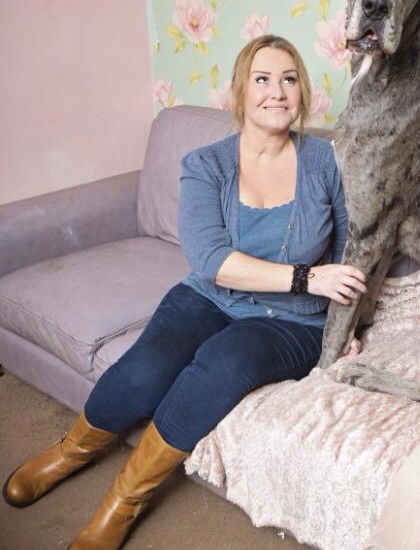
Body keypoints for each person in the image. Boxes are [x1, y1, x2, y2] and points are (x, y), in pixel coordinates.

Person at [2, 35, 366, 550]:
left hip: (292, 321)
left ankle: (124, 500)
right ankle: (71, 452)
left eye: (289, 79)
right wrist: (308, 276)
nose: (277, 91)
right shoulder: (207, 164)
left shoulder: (326, 161)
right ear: (241, 92)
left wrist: (344, 325)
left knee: (222, 362)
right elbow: (212, 262)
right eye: (262, 79)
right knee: (146, 366)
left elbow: (351, 249)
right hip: (211, 295)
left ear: (302, 93)